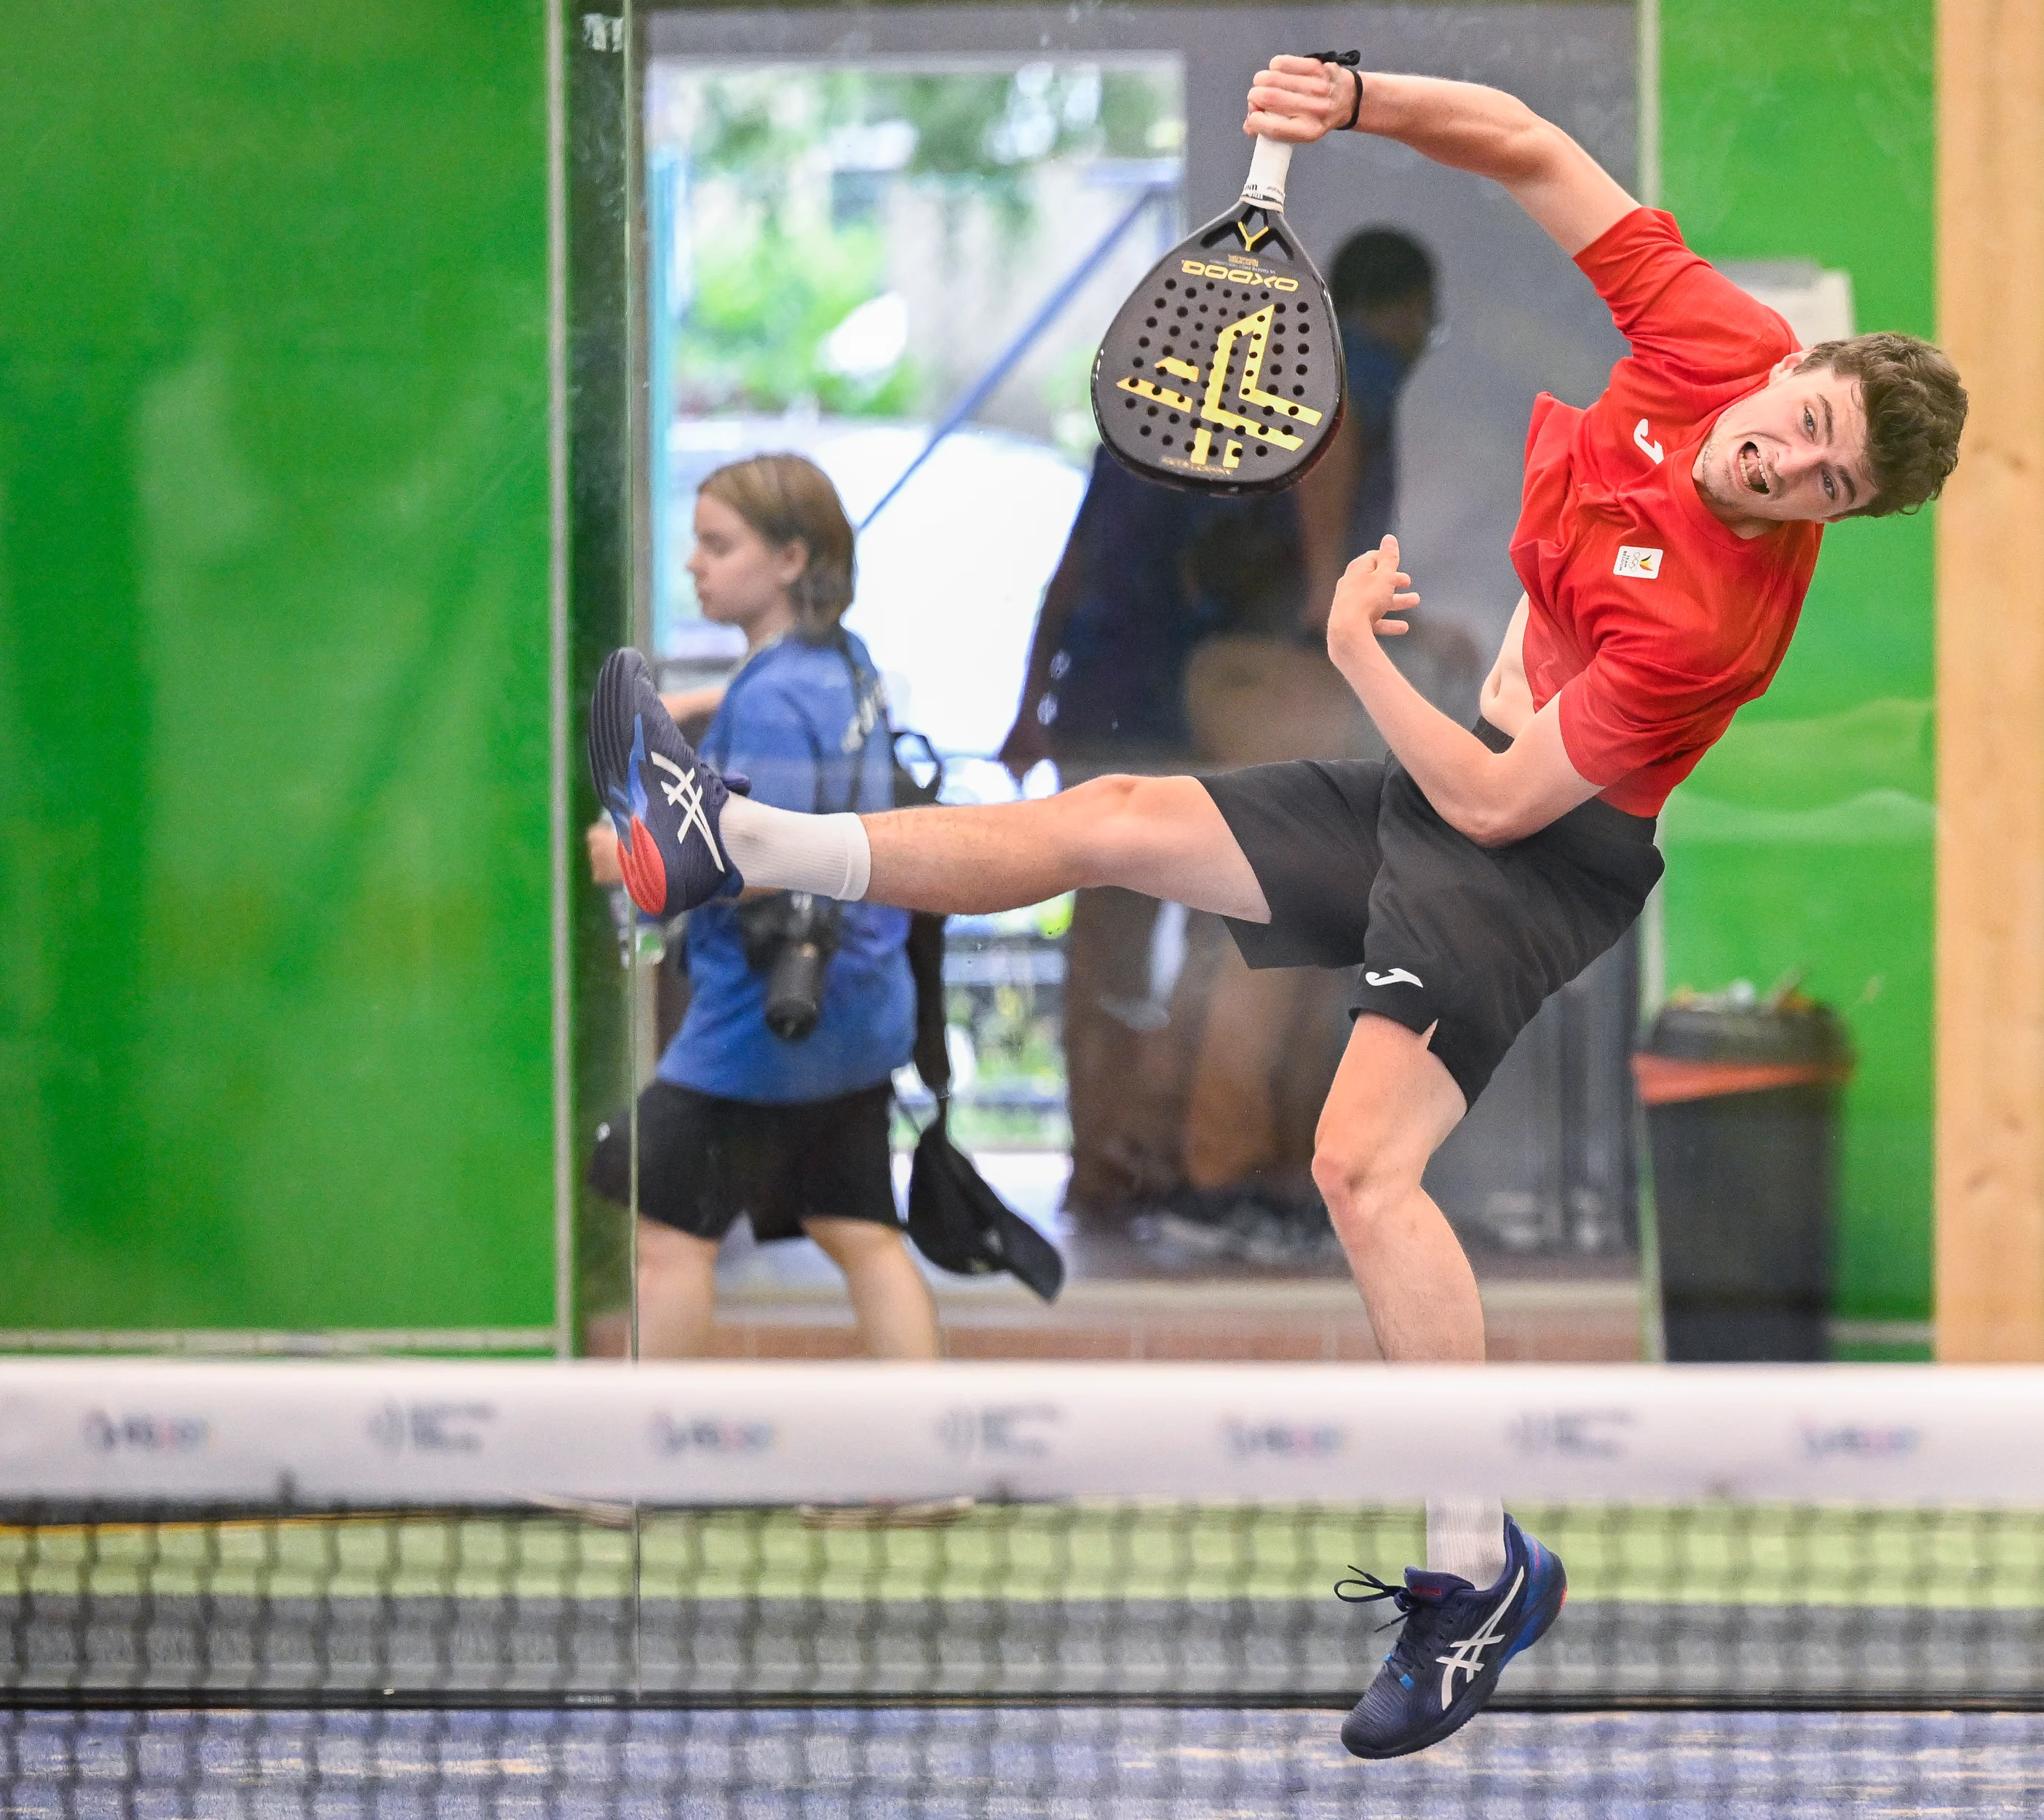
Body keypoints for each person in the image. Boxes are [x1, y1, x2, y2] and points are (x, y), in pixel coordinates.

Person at [592, 62, 1964, 1755]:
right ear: (1798, 362)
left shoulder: (1710, 626)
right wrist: (1361, 95)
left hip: (1537, 855)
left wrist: (1342, 660)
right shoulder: (1715, 344)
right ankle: (737, 842)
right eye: (1802, 418)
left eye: (1820, 479)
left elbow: (1487, 807)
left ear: (1842, 514)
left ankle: (1475, 1575)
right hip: (1461, 773)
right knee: (1103, 822)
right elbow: (1534, 147)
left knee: (1357, 1165)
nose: (1779, 455)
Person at [998, 230, 1447, 1235]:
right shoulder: (1312, 399)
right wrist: (1331, 625)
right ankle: (1212, 1164)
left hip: (1124, 700)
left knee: (1128, 954)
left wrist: (1033, 706)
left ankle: (1118, 1165)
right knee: (1237, 936)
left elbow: (1068, 578)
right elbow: (1303, 547)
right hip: (1190, 699)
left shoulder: (1153, 430)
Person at [587, 453, 940, 1361]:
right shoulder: (842, 663)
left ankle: (642, 1459)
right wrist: (700, 704)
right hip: (854, 997)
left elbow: (768, 852)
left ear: (789, 560)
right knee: (857, 1228)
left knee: (662, 1225)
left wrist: (630, 860)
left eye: (717, 544)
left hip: (769, 1022)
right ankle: (933, 1458)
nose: (694, 565)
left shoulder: (776, 695)